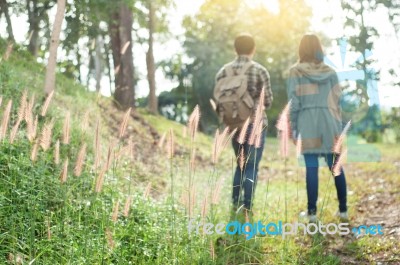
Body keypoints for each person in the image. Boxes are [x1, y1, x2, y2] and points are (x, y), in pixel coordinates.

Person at [287, 34, 348, 222]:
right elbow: (337, 101)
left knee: (311, 167)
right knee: (336, 166)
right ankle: (344, 210)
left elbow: (294, 102)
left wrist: (294, 127)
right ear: (319, 49)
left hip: (308, 122)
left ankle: (312, 214)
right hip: (330, 122)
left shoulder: (295, 71)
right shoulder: (331, 72)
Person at [215, 34, 273, 216]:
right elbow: (268, 100)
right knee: (251, 166)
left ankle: (234, 203)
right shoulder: (259, 71)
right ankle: (247, 206)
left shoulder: (223, 71)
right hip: (255, 124)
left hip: (233, 124)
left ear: (235, 49)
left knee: (240, 163)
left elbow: (218, 99)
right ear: (253, 49)